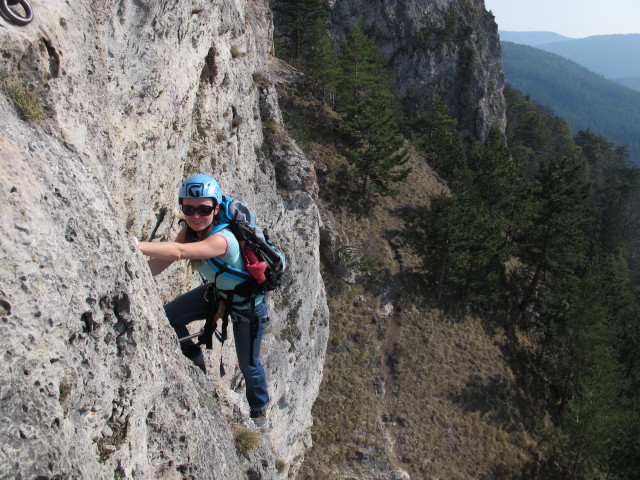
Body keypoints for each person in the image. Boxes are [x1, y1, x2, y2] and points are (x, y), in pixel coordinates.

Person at [138, 174, 269, 426]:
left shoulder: (223, 240)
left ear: (216, 208)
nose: (196, 215)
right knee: (168, 317)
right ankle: (194, 357)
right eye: (188, 209)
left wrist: (133, 245)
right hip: (217, 294)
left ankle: (258, 408)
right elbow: (162, 262)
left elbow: (178, 252)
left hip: (248, 307)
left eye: (204, 209)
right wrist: (133, 274)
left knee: (248, 365)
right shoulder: (190, 231)